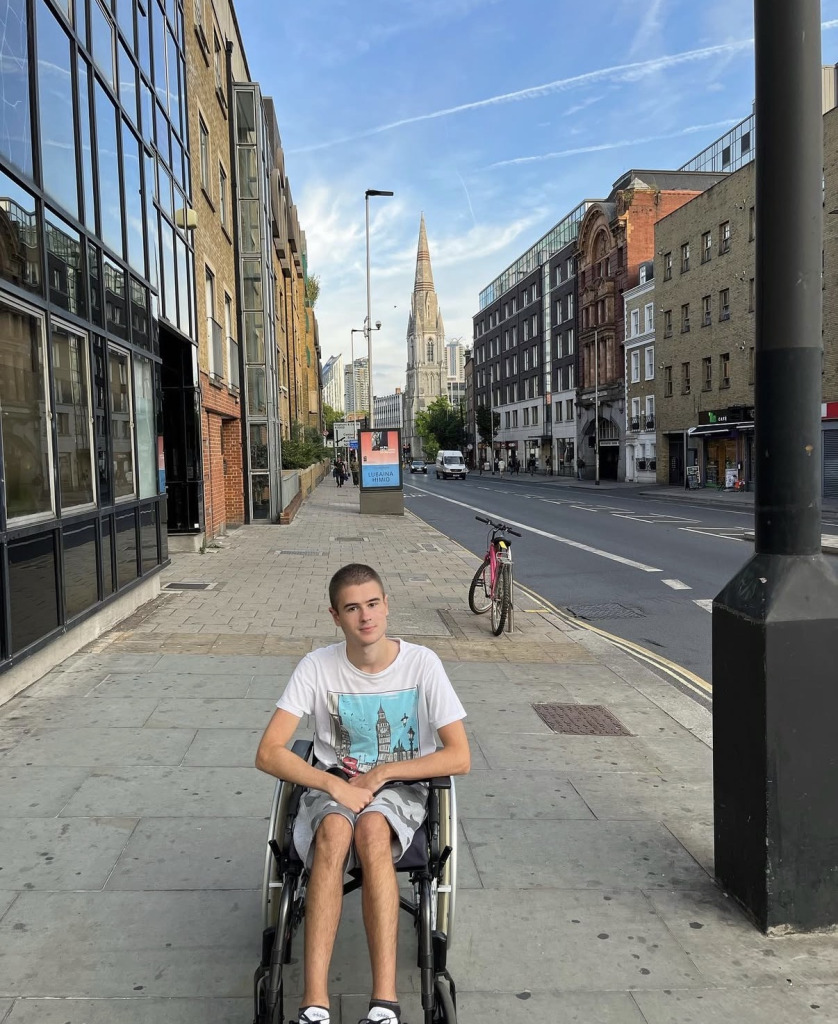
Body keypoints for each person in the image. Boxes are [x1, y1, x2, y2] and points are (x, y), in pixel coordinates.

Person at [255, 564, 470, 1024]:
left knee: (373, 831)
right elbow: (268, 752)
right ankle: (314, 1005)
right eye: (352, 608)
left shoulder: (422, 664)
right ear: (336, 616)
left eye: (373, 604)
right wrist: (332, 783)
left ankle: (384, 1004)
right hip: (336, 780)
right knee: (334, 833)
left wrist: (383, 773)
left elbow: (459, 756)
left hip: (401, 784)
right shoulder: (317, 666)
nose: (365, 616)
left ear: (387, 605)